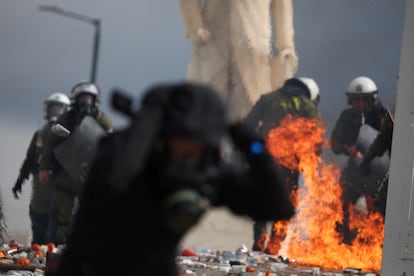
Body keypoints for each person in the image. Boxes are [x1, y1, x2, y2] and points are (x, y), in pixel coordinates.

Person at [54, 81, 295, 276]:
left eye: (199, 149)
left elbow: (278, 207)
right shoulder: (128, 157)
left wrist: (251, 145)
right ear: (163, 137)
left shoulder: (206, 173)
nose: (189, 159)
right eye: (183, 146)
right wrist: (149, 116)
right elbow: (112, 180)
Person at [179, 0, 298, 121]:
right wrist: (195, 26)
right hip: (214, 43)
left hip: (252, 47)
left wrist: (286, 44)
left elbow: (283, 4)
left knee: (253, 108)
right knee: (204, 109)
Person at [243, 77, 320, 253]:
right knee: (286, 201)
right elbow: (317, 136)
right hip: (291, 162)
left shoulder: (268, 98)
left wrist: (255, 148)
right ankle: (274, 245)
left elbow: (248, 125)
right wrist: (312, 160)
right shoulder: (306, 104)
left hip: (266, 158)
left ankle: (259, 241)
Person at [38, 81, 113, 245]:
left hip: (90, 176)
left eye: (89, 98)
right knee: (60, 214)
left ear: (95, 100)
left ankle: (88, 249)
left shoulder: (102, 120)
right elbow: (50, 145)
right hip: (66, 172)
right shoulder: (66, 119)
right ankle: (55, 247)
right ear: (76, 99)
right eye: (83, 97)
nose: (85, 101)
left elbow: (111, 146)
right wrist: (44, 168)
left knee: (92, 215)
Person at [330, 76, 387, 244]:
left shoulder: (382, 117)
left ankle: (375, 248)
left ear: (374, 100)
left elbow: (391, 142)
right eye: (357, 101)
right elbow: (335, 142)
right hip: (354, 170)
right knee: (342, 204)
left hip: (377, 172)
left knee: (378, 212)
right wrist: (347, 149)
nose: (361, 105)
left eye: (365, 101)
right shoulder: (347, 117)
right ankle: (341, 243)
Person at [12, 92, 70, 245]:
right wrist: (20, 180)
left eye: (59, 108)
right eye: (52, 108)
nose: (54, 111)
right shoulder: (39, 135)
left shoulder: (70, 137)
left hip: (59, 195)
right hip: (40, 195)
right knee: (38, 237)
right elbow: (30, 159)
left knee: (55, 241)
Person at [359, 91, 396, 216]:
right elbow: (382, 140)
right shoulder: (391, 115)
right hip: (399, 169)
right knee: (384, 201)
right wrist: (367, 159)